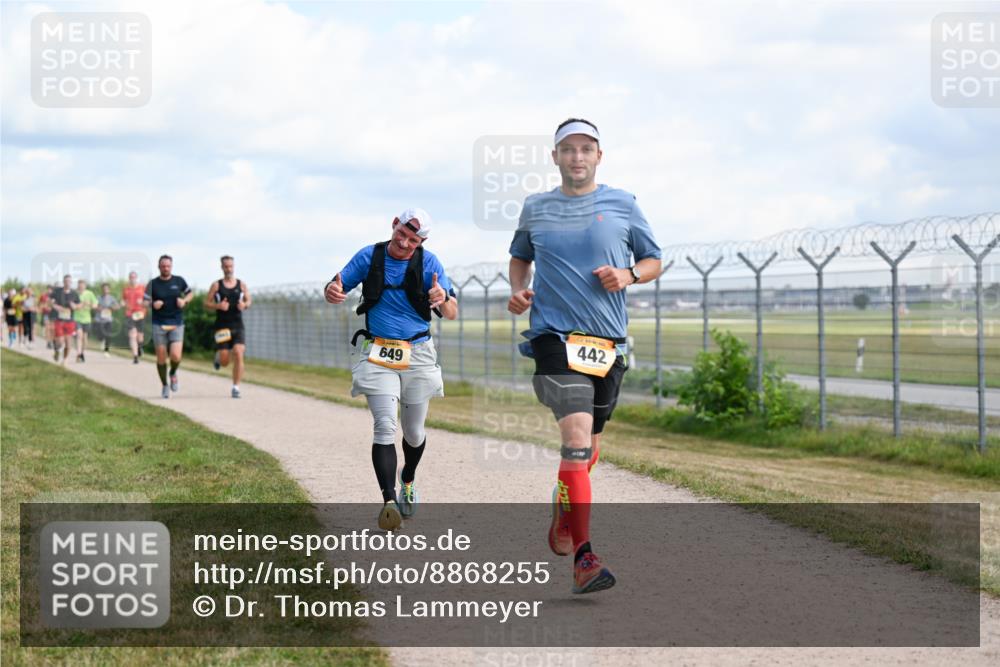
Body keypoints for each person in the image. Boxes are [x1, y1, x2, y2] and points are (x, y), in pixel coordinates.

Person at [507, 118, 662, 594]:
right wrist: (519, 290)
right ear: (555, 157)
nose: (577, 156)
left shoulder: (623, 204)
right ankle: (584, 558)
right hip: (553, 338)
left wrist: (629, 275)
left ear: (599, 156)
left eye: (586, 148)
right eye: (568, 149)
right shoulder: (536, 207)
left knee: (589, 447)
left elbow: (654, 260)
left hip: (607, 345)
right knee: (575, 438)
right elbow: (520, 257)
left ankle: (565, 507)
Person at [324, 208, 457, 531]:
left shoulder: (430, 263)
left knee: (413, 432)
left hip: (418, 353)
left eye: (413, 240)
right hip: (378, 352)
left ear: (421, 242)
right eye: (401, 234)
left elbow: (452, 311)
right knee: (385, 426)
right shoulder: (369, 256)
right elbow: (336, 286)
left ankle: (407, 478)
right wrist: (332, 291)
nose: (404, 243)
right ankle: (389, 502)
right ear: (394, 225)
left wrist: (442, 298)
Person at [144, 255, 192, 399]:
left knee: (176, 356)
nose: (166, 268)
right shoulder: (152, 283)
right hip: (158, 323)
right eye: (163, 266)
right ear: (159, 267)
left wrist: (184, 301)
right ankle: (165, 385)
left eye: (168, 266)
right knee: (161, 358)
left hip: (176, 322)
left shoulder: (179, 281)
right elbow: (144, 301)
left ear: (171, 266)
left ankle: (173, 373)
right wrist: (152, 304)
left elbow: (190, 294)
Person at [205, 255, 252, 398]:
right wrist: (218, 306)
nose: (229, 269)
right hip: (222, 326)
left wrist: (244, 305)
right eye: (226, 266)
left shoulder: (241, 285)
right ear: (222, 267)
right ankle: (219, 357)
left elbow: (249, 300)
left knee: (239, 352)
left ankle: (236, 387)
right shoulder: (216, 285)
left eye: (231, 266)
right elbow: (206, 303)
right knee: (225, 361)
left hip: (238, 325)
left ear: (234, 266)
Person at [50, 275, 80, 364]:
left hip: (70, 321)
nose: (67, 283)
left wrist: (75, 306)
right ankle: (57, 351)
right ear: (63, 282)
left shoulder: (74, 293)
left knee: (68, 343)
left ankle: (65, 360)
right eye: (66, 281)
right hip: (59, 320)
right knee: (60, 341)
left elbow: (79, 305)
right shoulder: (57, 291)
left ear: (71, 282)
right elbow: (50, 301)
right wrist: (56, 306)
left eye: (69, 281)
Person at [122, 271, 147, 364]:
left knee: (140, 337)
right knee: (132, 335)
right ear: (129, 278)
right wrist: (123, 303)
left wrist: (143, 302)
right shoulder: (126, 289)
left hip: (140, 313)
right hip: (129, 314)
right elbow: (123, 300)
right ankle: (135, 357)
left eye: (134, 277)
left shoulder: (142, 288)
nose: (132, 279)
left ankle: (139, 346)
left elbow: (148, 300)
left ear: (136, 278)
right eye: (131, 277)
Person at [74, 279, 98, 362]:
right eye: (79, 285)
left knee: (85, 338)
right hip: (77, 318)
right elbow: (72, 305)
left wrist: (89, 304)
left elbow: (95, 305)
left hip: (87, 319)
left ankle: (82, 353)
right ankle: (78, 354)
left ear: (85, 286)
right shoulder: (75, 294)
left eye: (82, 285)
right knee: (79, 335)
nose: (81, 286)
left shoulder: (90, 293)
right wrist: (80, 305)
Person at [95, 283, 120, 356]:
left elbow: (117, 306)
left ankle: (106, 350)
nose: (105, 290)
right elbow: (94, 306)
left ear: (109, 290)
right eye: (104, 289)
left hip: (108, 319)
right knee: (100, 335)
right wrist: (99, 308)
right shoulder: (98, 297)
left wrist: (113, 307)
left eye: (106, 289)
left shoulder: (112, 298)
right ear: (102, 290)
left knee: (108, 334)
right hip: (99, 319)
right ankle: (101, 340)